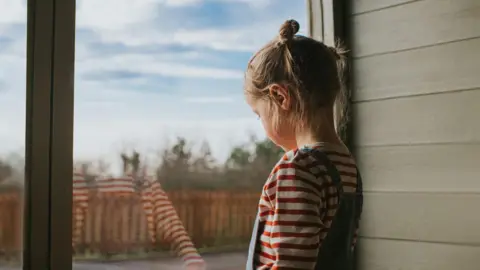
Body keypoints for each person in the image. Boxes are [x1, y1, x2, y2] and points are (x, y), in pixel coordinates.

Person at [244, 19, 363, 270]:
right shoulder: (346, 165)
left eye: (260, 114)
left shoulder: (296, 169)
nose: (261, 124)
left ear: (280, 96)